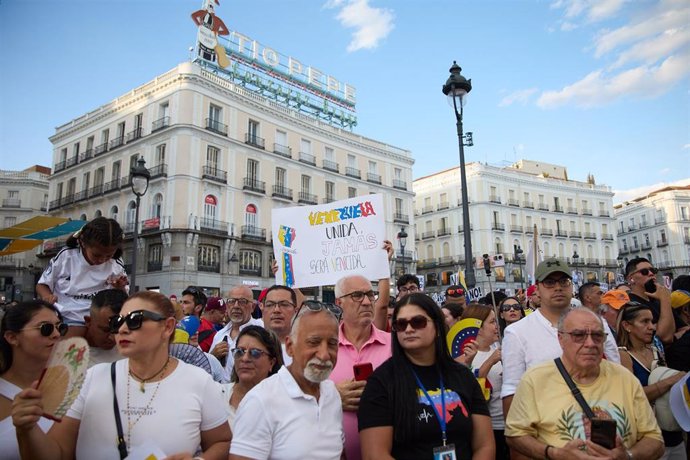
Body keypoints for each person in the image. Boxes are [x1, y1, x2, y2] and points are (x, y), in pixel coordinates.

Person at [12, 291, 231, 459]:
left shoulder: (198, 381)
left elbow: (222, 443)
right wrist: (27, 430)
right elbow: (56, 453)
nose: (123, 329)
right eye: (118, 322)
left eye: (135, 320)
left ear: (168, 327)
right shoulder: (92, 378)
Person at [505, 308, 664, 459]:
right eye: (578, 335)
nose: (590, 343)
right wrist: (554, 454)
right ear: (561, 339)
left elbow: (654, 439)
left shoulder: (625, 378)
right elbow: (515, 435)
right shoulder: (535, 379)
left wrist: (628, 456)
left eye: (597, 336)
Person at [358, 292, 494, 460]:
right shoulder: (381, 383)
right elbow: (375, 454)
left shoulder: (463, 376)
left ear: (437, 327)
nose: (408, 329)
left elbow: (485, 445)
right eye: (400, 324)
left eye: (418, 322)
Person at [229, 301, 344, 460]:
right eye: (314, 342)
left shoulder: (332, 394)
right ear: (290, 346)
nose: (324, 354)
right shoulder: (260, 401)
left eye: (332, 344)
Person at [502, 259, 577, 420]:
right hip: (544, 428)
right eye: (549, 282)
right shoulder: (516, 332)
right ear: (537, 289)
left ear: (571, 285)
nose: (558, 287)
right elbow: (512, 390)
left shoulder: (596, 325)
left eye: (564, 281)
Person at [331, 274, 392, 460]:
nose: (366, 301)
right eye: (357, 295)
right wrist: (332, 397)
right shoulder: (324, 347)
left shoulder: (394, 345)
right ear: (338, 302)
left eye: (370, 294)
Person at [36, 217, 128, 338]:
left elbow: (124, 298)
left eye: (108, 255)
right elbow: (42, 285)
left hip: (99, 318)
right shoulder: (66, 256)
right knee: (74, 334)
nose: (102, 260)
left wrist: (119, 287)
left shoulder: (115, 264)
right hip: (67, 315)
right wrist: (47, 296)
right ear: (83, 243)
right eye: (96, 255)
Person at [617, 301, 687, 459]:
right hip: (646, 439)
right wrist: (671, 380)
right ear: (627, 326)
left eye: (652, 321)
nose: (652, 327)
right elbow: (634, 396)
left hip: (673, 432)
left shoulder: (656, 350)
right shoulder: (623, 356)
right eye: (644, 322)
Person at [0, 300, 66, 460]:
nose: (56, 334)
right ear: (12, 337)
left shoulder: (77, 387)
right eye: (46, 328)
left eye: (60, 327)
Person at [460, 304, 507, 459]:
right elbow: (470, 386)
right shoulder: (465, 355)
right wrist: (490, 362)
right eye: (492, 322)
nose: (496, 326)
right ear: (478, 327)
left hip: (508, 425)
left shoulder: (500, 349)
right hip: (487, 428)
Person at [221, 325, 283, 428]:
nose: (245, 358)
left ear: (271, 363)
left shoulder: (282, 406)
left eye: (255, 353)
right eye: (239, 352)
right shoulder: (217, 395)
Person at [210, 285, 263, 381]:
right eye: (232, 301)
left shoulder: (262, 330)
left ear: (253, 307)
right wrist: (213, 356)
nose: (236, 306)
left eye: (242, 301)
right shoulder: (219, 335)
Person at [625, 257, 678, 344]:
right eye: (644, 272)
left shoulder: (659, 301)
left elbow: (683, 328)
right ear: (631, 279)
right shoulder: (630, 304)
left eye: (653, 270)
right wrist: (665, 300)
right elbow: (664, 337)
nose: (650, 274)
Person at [578, 282, 621, 364]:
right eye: (599, 293)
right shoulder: (581, 322)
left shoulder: (601, 319)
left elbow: (611, 349)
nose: (603, 296)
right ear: (588, 298)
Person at [85, 289, 127, 367]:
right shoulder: (69, 355)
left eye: (118, 330)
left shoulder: (132, 351)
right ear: (88, 322)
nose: (112, 338)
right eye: (105, 330)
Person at [259, 285, 299, 364]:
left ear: (296, 311)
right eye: (270, 305)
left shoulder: (307, 351)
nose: (276, 310)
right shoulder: (249, 349)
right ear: (262, 309)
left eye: (284, 304)